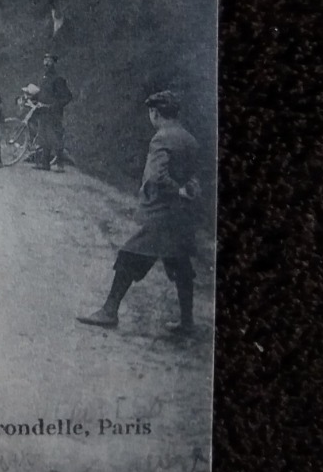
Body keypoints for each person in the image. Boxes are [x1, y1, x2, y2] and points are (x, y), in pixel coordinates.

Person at [76, 91, 204, 336]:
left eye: (151, 113)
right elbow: (195, 178)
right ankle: (187, 322)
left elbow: (156, 177)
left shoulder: (161, 138)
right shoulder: (190, 139)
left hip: (161, 215)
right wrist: (187, 191)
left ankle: (109, 311)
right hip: (183, 216)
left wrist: (175, 190)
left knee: (128, 256)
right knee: (181, 264)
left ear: (155, 113)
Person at [33, 52, 73, 171]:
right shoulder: (44, 78)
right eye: (45, 60)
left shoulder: (58, 79)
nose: (46, 63)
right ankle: (45, 164)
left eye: (49, 61)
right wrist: (31, 98)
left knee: (55, 137)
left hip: (54, 113)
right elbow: (41, 93)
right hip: (43, 111)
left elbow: (67, 97)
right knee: (44, 137)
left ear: (54, 63)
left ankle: (60, 165)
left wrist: (54, 106)